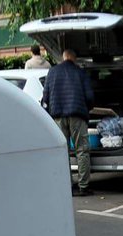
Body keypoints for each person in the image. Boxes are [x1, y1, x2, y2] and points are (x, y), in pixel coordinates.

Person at [42, 48, 94, 196]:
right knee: (82, 150)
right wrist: (87, 109)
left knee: (62, 152)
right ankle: (83, 186)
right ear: (74, 58)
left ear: (63, 58)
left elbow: (45, 97)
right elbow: (90, 97)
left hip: (58, 116)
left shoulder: (52, 72)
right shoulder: (80, 73)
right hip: (77, 114)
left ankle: (66, 185)